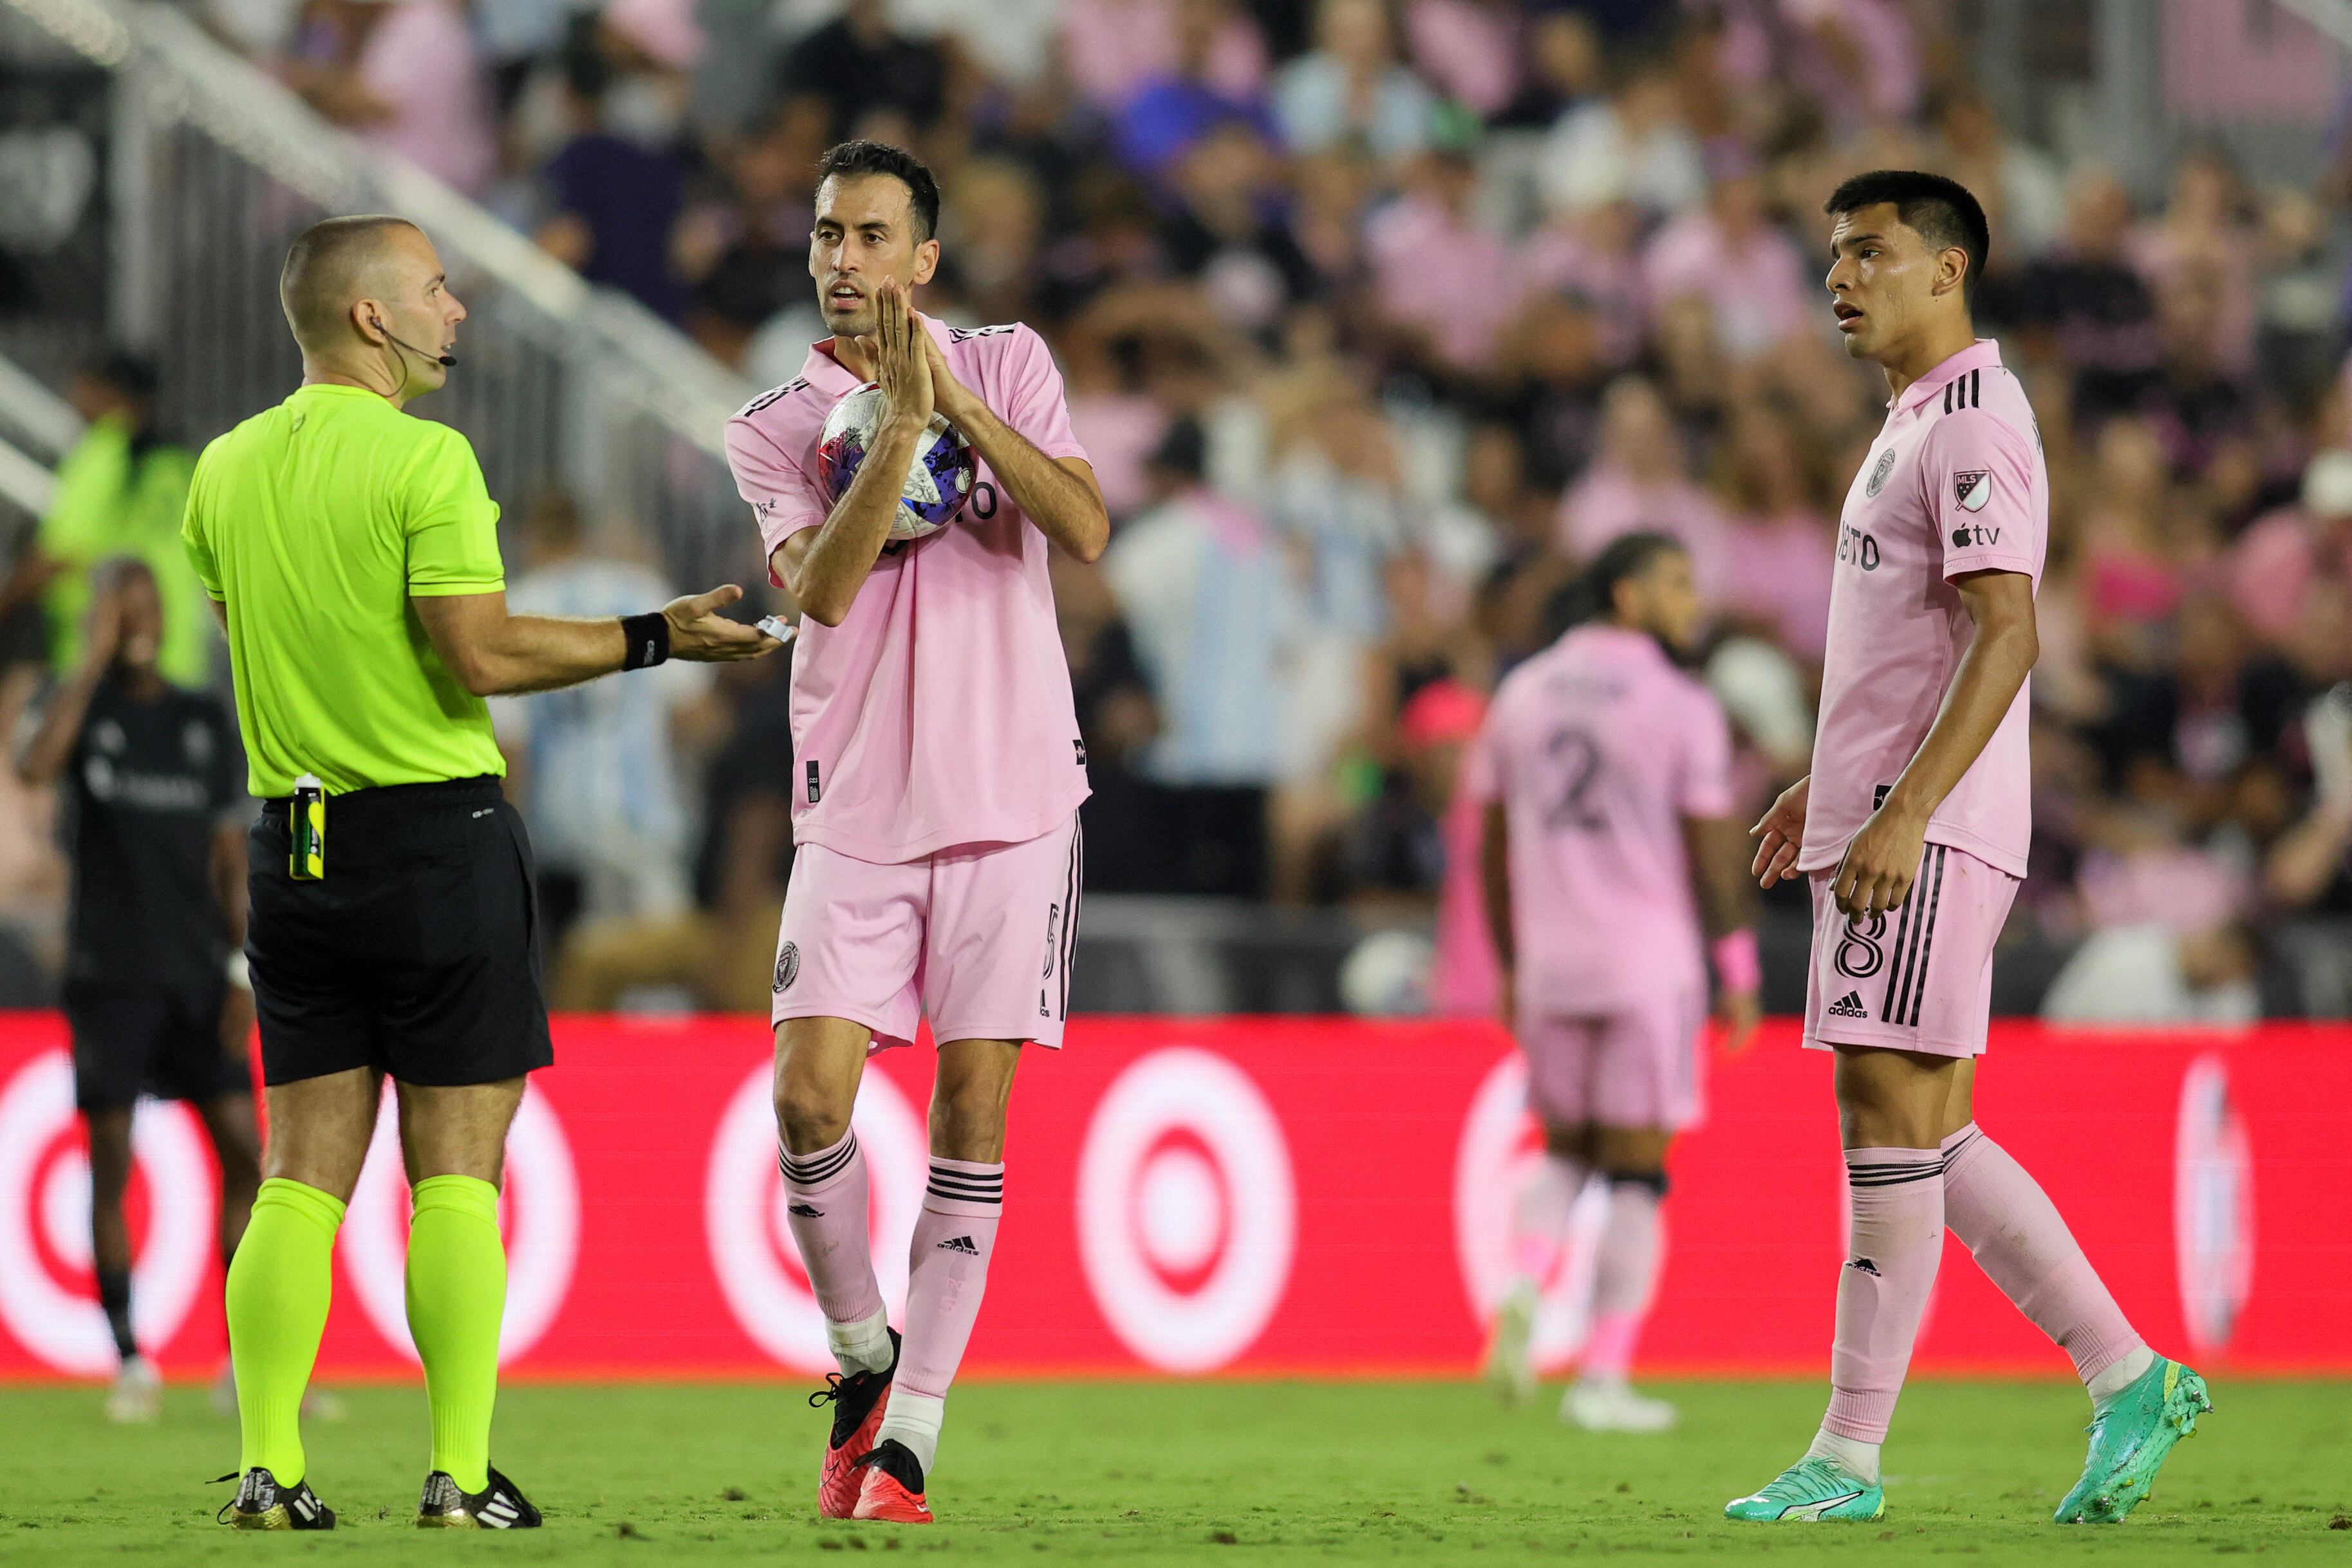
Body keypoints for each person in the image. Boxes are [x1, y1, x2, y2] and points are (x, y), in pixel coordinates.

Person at [185, 214, 775, 1530]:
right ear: (371, 319)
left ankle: (268, 1470)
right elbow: (481, 657)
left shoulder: (221, 471)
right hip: (434, 842)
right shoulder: (426, 460)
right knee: (455, 1173)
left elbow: (249, 634)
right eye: (438, 291)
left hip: (297, 846)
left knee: (298, 1176)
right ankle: (458, 1471)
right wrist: (651, 638)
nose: (459, 310)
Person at [1731, 172, 2208, 1526]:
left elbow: (2010, 631)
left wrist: (1902, 813)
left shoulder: (1973, 422)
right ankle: (2129, 1379)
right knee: (1928, 1129)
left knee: (1886, 1122)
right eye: (1832, 255)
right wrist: (1821, 786)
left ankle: (1850, 1456)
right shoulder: (1910, 424)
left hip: (1922, 832)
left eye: (1870, 252)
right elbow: (1908, 649)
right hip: (1884, 815)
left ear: (1949, 269)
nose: (1841, 278)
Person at [722, 139, 1108, 1526]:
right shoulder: (774, 424)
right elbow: (817, 595)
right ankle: (861, 1353)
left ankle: (913, 1442)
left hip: (1012, 806)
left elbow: (1081, 522)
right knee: (807, 1097)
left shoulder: (1008, 360)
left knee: (971, 1111)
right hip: (857, 807)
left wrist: (950, 403)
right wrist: (893, 431)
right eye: (829, 234)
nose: (844, 260)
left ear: (924, 259)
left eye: (874, 236)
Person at [1470, 532, 1760, 1433]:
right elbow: (1711, 852)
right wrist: (1737, 968)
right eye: (1676, 583)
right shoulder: (1679, 703)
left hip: (1553, 961)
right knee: (1637, 1174)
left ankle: (1522, 1280)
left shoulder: (1518, 693)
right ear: (1626, 596)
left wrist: (1511, 962)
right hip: (1646, 964)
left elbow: (1486, 845)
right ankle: (1599, 1379)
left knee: (1564, 1149)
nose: (1691, 601)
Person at [15, 557, 257, 1423]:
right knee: (110, 1163)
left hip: (198, 972)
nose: (138, 621)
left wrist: (240, 969)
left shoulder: (200, 717)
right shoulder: (83, 711)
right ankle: (128, 1358)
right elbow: (36, 768)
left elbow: (231, 857)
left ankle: (243, 1364)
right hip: (110, 975)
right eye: (121, 609)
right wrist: (86, 660)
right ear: (100, 620)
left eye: (146, 604)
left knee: (246, 1156)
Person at [0, 352, 212, 689]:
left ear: (111, 395)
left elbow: (58, 556)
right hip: (179, 665)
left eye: (84, 388)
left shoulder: (104, 450)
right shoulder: (181, 466)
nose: (73, 399)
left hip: (105, 665)